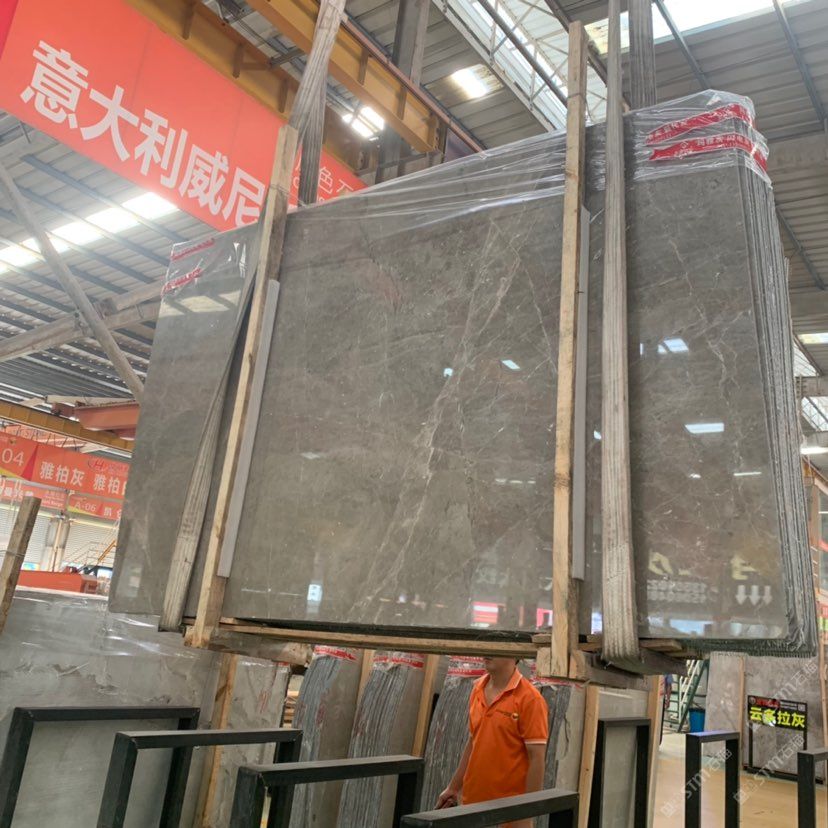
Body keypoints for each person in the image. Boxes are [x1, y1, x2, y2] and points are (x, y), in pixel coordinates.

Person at [436, 656, 549, 828]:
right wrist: (453, 787)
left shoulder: (530, 699)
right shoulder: (478, 688)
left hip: (508, 814)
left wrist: (527, 812)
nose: (487, 654)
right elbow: (474, 742)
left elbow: (537, 758)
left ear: (515, 655)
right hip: (471, 806)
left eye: (498, 649)